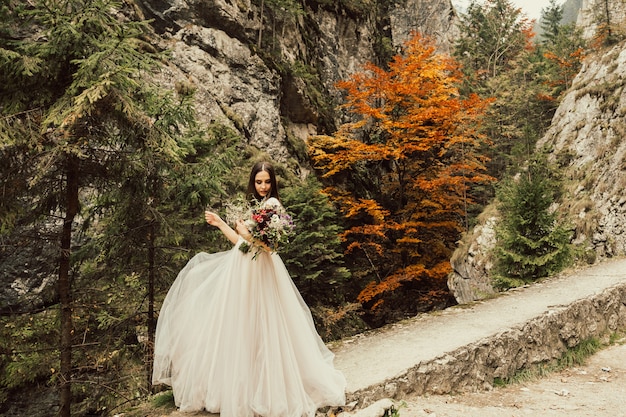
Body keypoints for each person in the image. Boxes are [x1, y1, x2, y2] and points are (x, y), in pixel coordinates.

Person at [152, 161, 347, 417]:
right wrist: (222, 224)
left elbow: (269, 248)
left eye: (267, 181)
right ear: (252, 182)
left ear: (273, 182)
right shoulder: (257, 206)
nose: (263, 186)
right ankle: (245, 385)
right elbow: (241, 245)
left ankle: (269, 387)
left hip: (261, 272)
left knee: (265, 324)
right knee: (242, 328)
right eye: (258, 182)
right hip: (243, 269)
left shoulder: (274, 206)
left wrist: (246, 231)